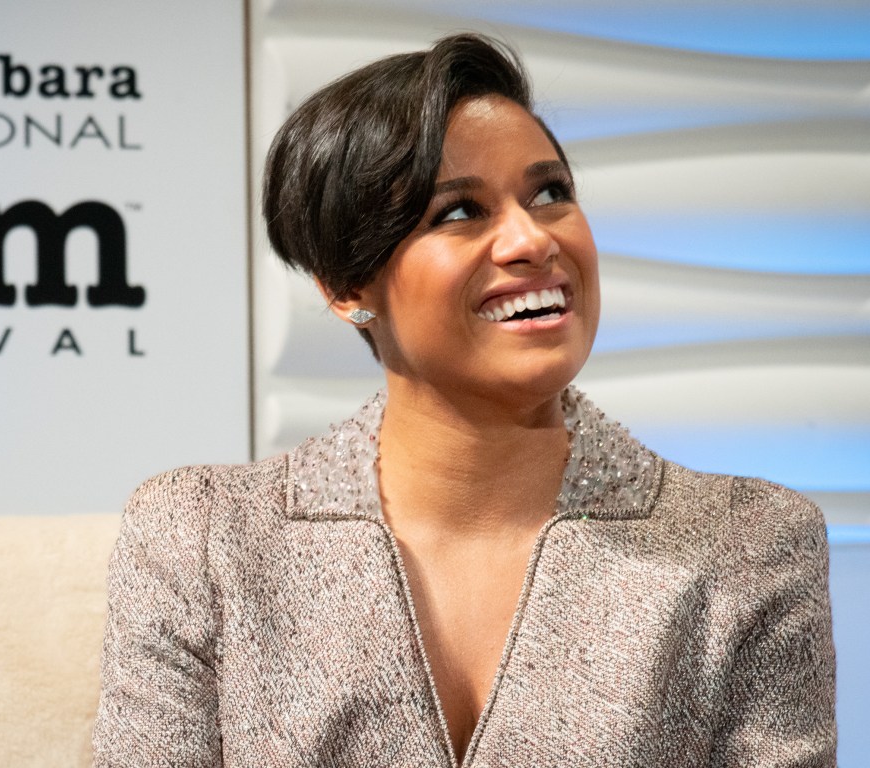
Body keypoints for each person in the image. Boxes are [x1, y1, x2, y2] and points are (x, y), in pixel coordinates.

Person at [92, 33, 836, 767]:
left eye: (550, 194)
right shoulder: (202, 537)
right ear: (346, 287)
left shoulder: (750, 542)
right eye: (458, 212)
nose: (531, 240)